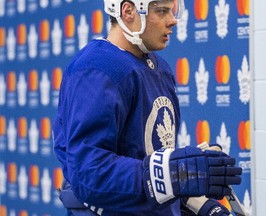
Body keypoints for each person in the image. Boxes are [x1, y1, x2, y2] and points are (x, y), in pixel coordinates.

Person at [53, 0, 242, 215]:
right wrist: (175, 174)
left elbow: (150, 157)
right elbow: (89, 173)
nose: (172, 20)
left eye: (172, 10)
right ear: (128, 11)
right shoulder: (95, 70)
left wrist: (194, 202)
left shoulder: (159, 68)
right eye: (161, 11)